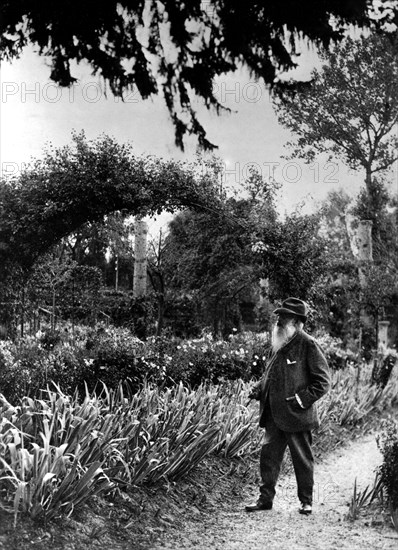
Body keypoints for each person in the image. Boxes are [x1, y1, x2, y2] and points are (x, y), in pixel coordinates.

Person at [245, 297, 330, 515]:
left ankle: (306, 501)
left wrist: (301, 400)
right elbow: (271, 375)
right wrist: (258, 389)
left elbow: (323, 382)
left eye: (285, 318)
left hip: (296, 415)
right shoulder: (280, 342)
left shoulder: (308, 344)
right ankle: (265, 500)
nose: (279, 321)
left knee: (302, 460)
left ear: (297, 322)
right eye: (279, 317)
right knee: (268, 457)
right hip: (274, 414)